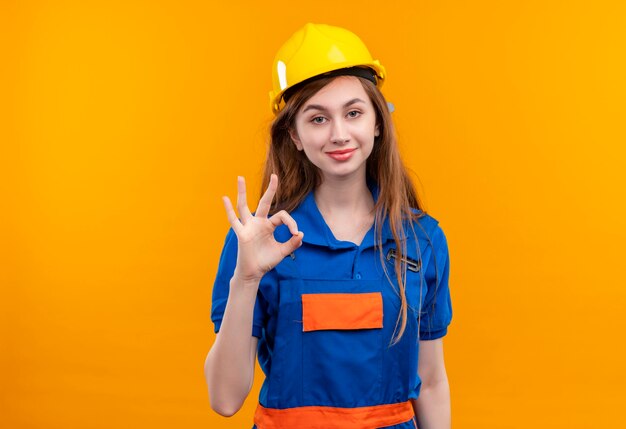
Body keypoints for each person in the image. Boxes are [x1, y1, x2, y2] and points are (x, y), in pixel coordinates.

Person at [204, 23, 453, 429]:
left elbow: (431, 383)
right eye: (317, 119)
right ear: (295, 136)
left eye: (353, 113)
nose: (339, 134)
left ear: (377, 121)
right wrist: (246, 279)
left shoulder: (422, 239)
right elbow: (225, 398)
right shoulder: (259, 240)